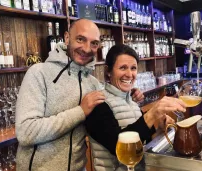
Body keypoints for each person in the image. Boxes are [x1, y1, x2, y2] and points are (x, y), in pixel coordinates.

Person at [15, 19, 144, 171]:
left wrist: (130, 95)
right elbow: (25, 132)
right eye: (80, 39)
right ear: (67, 37)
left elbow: (110, 112)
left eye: (94, 43)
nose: (87, 48)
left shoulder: (93, 83)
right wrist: (80, 111)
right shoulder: (39, 73)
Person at [85, 44, 186, 171]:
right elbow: (117, 146)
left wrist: (159, 128)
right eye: (123, 68)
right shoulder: (98, 104)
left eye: (133, 68)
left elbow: (142, 143)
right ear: (108, 71)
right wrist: (152, 114)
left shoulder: (132, 101)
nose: (129, 74)